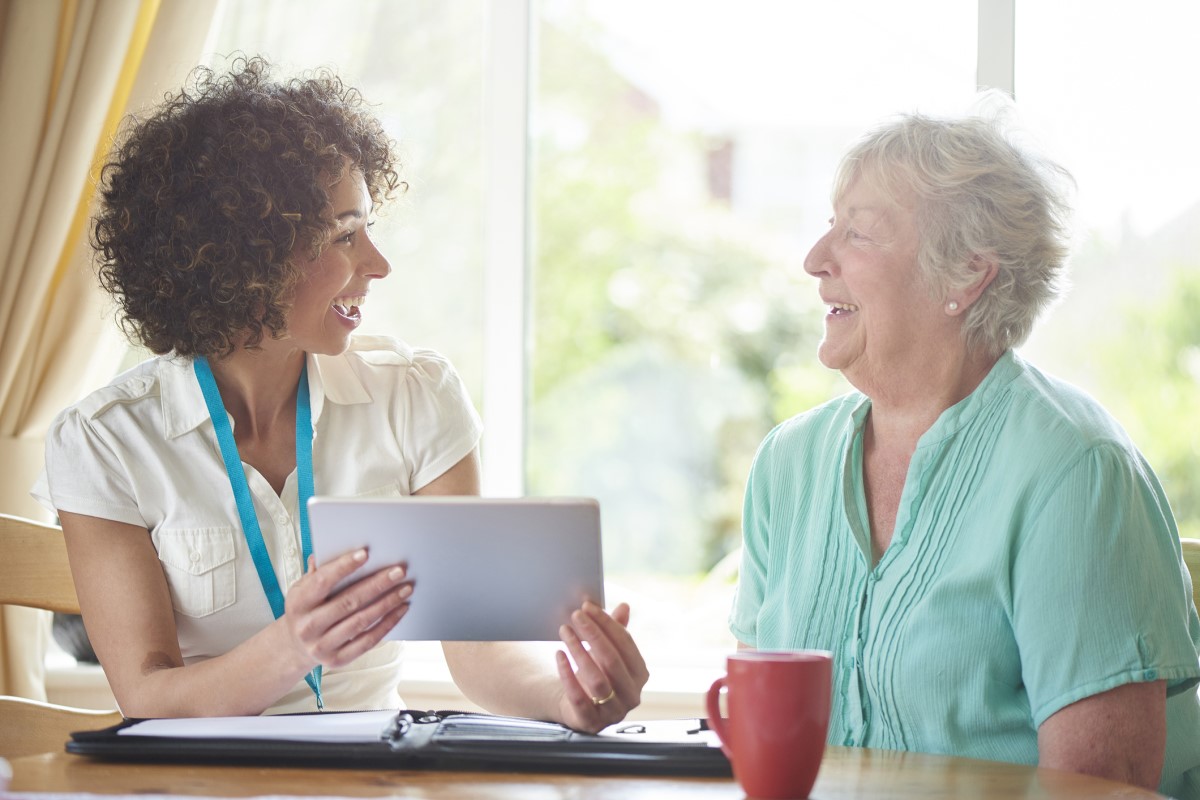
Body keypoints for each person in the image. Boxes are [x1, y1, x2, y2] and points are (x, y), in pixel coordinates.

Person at [31, 56, 647, 729]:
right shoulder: (105, 442)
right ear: (246, 257)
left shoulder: (416, 395)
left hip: (374, 776)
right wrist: (293, 647)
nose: (378, 265)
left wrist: (568, 700)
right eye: (345, 236)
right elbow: (147, 695)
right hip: (205, 780)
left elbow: (478, 650)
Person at [728, 109, 1200, 797]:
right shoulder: (787, 464)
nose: (814, 259)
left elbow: (1099, 790)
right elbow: (762, 750)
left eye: (856, 232)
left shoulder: (1075, 473)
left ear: (967, 274)